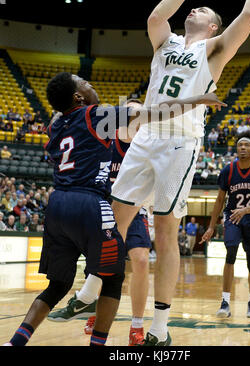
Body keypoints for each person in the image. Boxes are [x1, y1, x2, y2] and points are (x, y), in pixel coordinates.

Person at [109, 0, 250, 345]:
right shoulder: (165, 42)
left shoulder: (215, 49)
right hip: (147, 134)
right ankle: (90, 293)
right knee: (114, 219)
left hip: (179, 141)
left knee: (166, 231)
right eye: (193, 8)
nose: (193, 11)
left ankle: (159, 326)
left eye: (201, 11)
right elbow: (156, 16)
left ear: (212, 27)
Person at [3, 73, 224, 347]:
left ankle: (15, 342)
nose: (92, 85)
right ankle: (98, 340)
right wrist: (197, 100)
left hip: (57, 204)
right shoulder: (95, 115)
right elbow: (156, 112)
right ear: (78, 97)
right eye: (86, 84)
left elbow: (60, 119)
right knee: (113, 277)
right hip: (88, 202)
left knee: (57, 285)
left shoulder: (56, 124)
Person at [48, 99, 152, 347]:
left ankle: (136, 327)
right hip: (105, 209)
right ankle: (94, 311)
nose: (135, 117)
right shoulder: (106, 142)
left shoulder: (147, 146)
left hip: (136, 210)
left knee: (140, 259)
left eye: (140, 114)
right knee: (102, 261)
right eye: (131, 113)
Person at [201, 131, 250, 319]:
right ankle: (225, 302)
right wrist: (211, 227)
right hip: (232, 217)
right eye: (240, 145)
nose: (243, 148)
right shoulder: (228, 170)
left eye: (246, 145)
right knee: (230, 254)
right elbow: (220, 200)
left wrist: (245, 210)